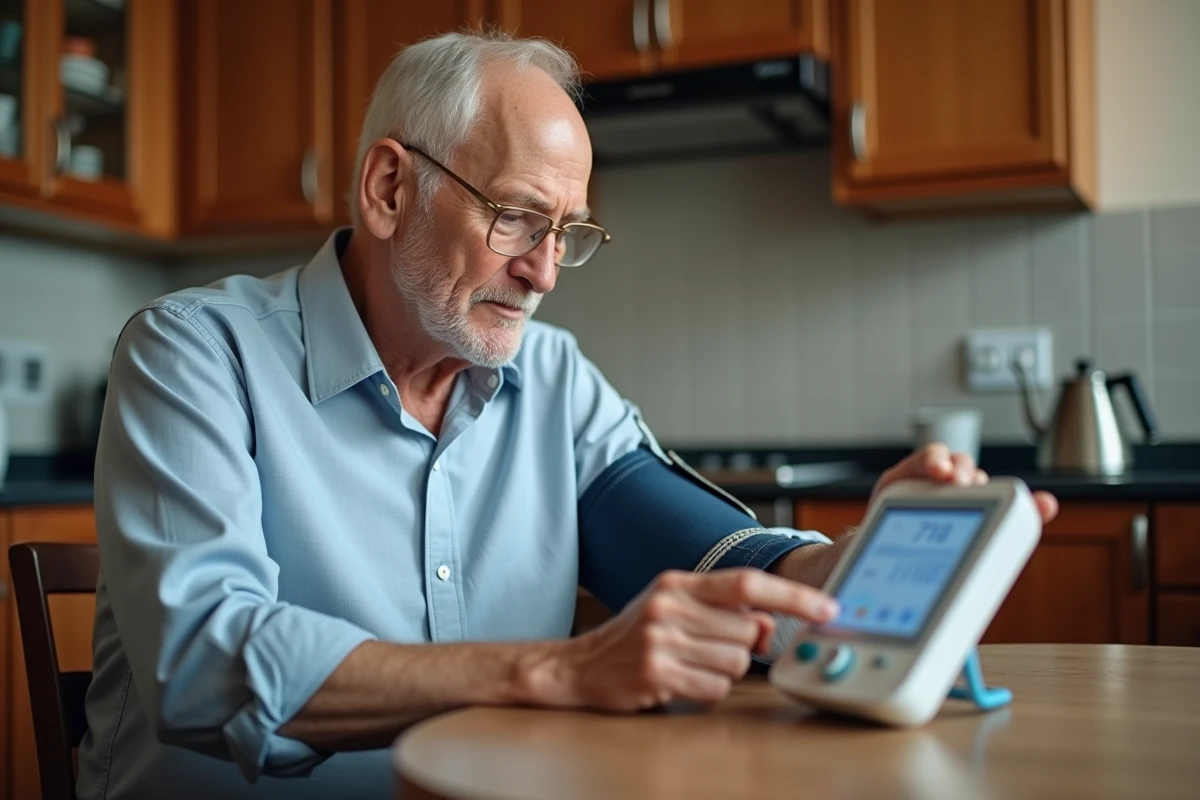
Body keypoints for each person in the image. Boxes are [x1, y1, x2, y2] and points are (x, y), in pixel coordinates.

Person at [77, 31, 1059, 799]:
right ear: (388, 187)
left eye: (567, 233)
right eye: (517, 217)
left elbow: (703, 550)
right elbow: (205, 659)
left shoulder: (553, 377)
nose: (545, 272)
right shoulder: (192, 352)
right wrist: (558, 669)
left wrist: (855, 561)